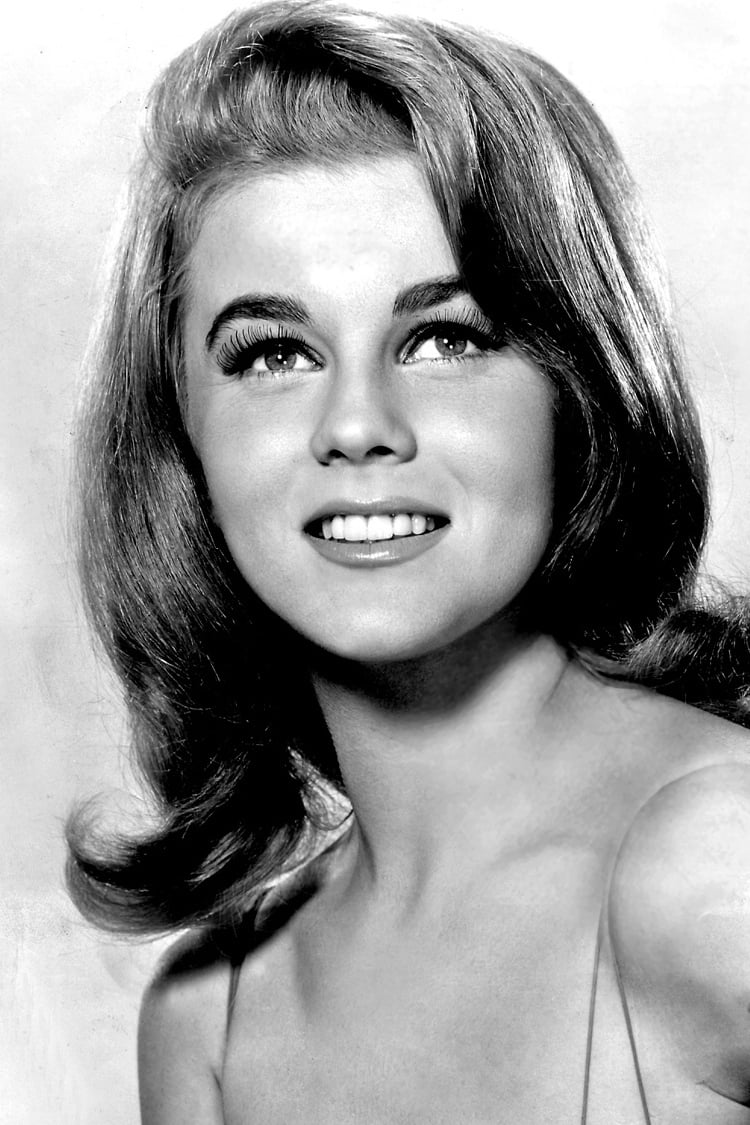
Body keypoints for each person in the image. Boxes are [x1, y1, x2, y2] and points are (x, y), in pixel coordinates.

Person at [66, 2, 750, 1121]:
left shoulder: (720, 862)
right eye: (273, 354)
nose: (357, 426)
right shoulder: (213, 1016)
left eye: (446, 338)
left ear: (577, 387)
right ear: (182, 430)